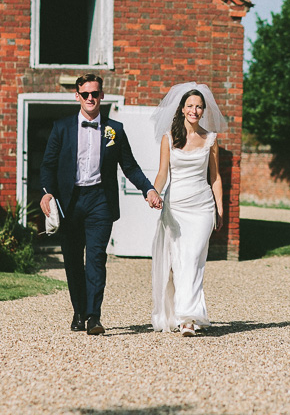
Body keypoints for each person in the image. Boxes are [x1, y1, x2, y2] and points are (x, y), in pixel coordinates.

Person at [40, 73, 162, 336]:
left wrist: (148, 189)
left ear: (102, 95)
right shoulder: (62, 128)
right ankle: (79, 311)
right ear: (77, 96)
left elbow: (129, 165)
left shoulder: (114, 129)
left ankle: (94, 316)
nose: (90, 98)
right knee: (72, 260)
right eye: (85, 94)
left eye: (95, 93)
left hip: (100, 202)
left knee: (96, 258)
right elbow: (48, 165)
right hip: (69, 202)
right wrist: (47, 193)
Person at [150, 82, 227, 336]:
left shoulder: (211, 139)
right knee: (180, 261)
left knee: (194, 258)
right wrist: (153, 192)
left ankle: (188, 318)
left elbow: (215, 178)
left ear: (203, 111)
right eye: (190, 106)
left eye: (199, 107)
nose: (195, 110)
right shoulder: (169, 139)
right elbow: (162, 173)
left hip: (203, 206)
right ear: (182, 109)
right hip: (176, 207)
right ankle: (185, 316)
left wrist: (220, 209)